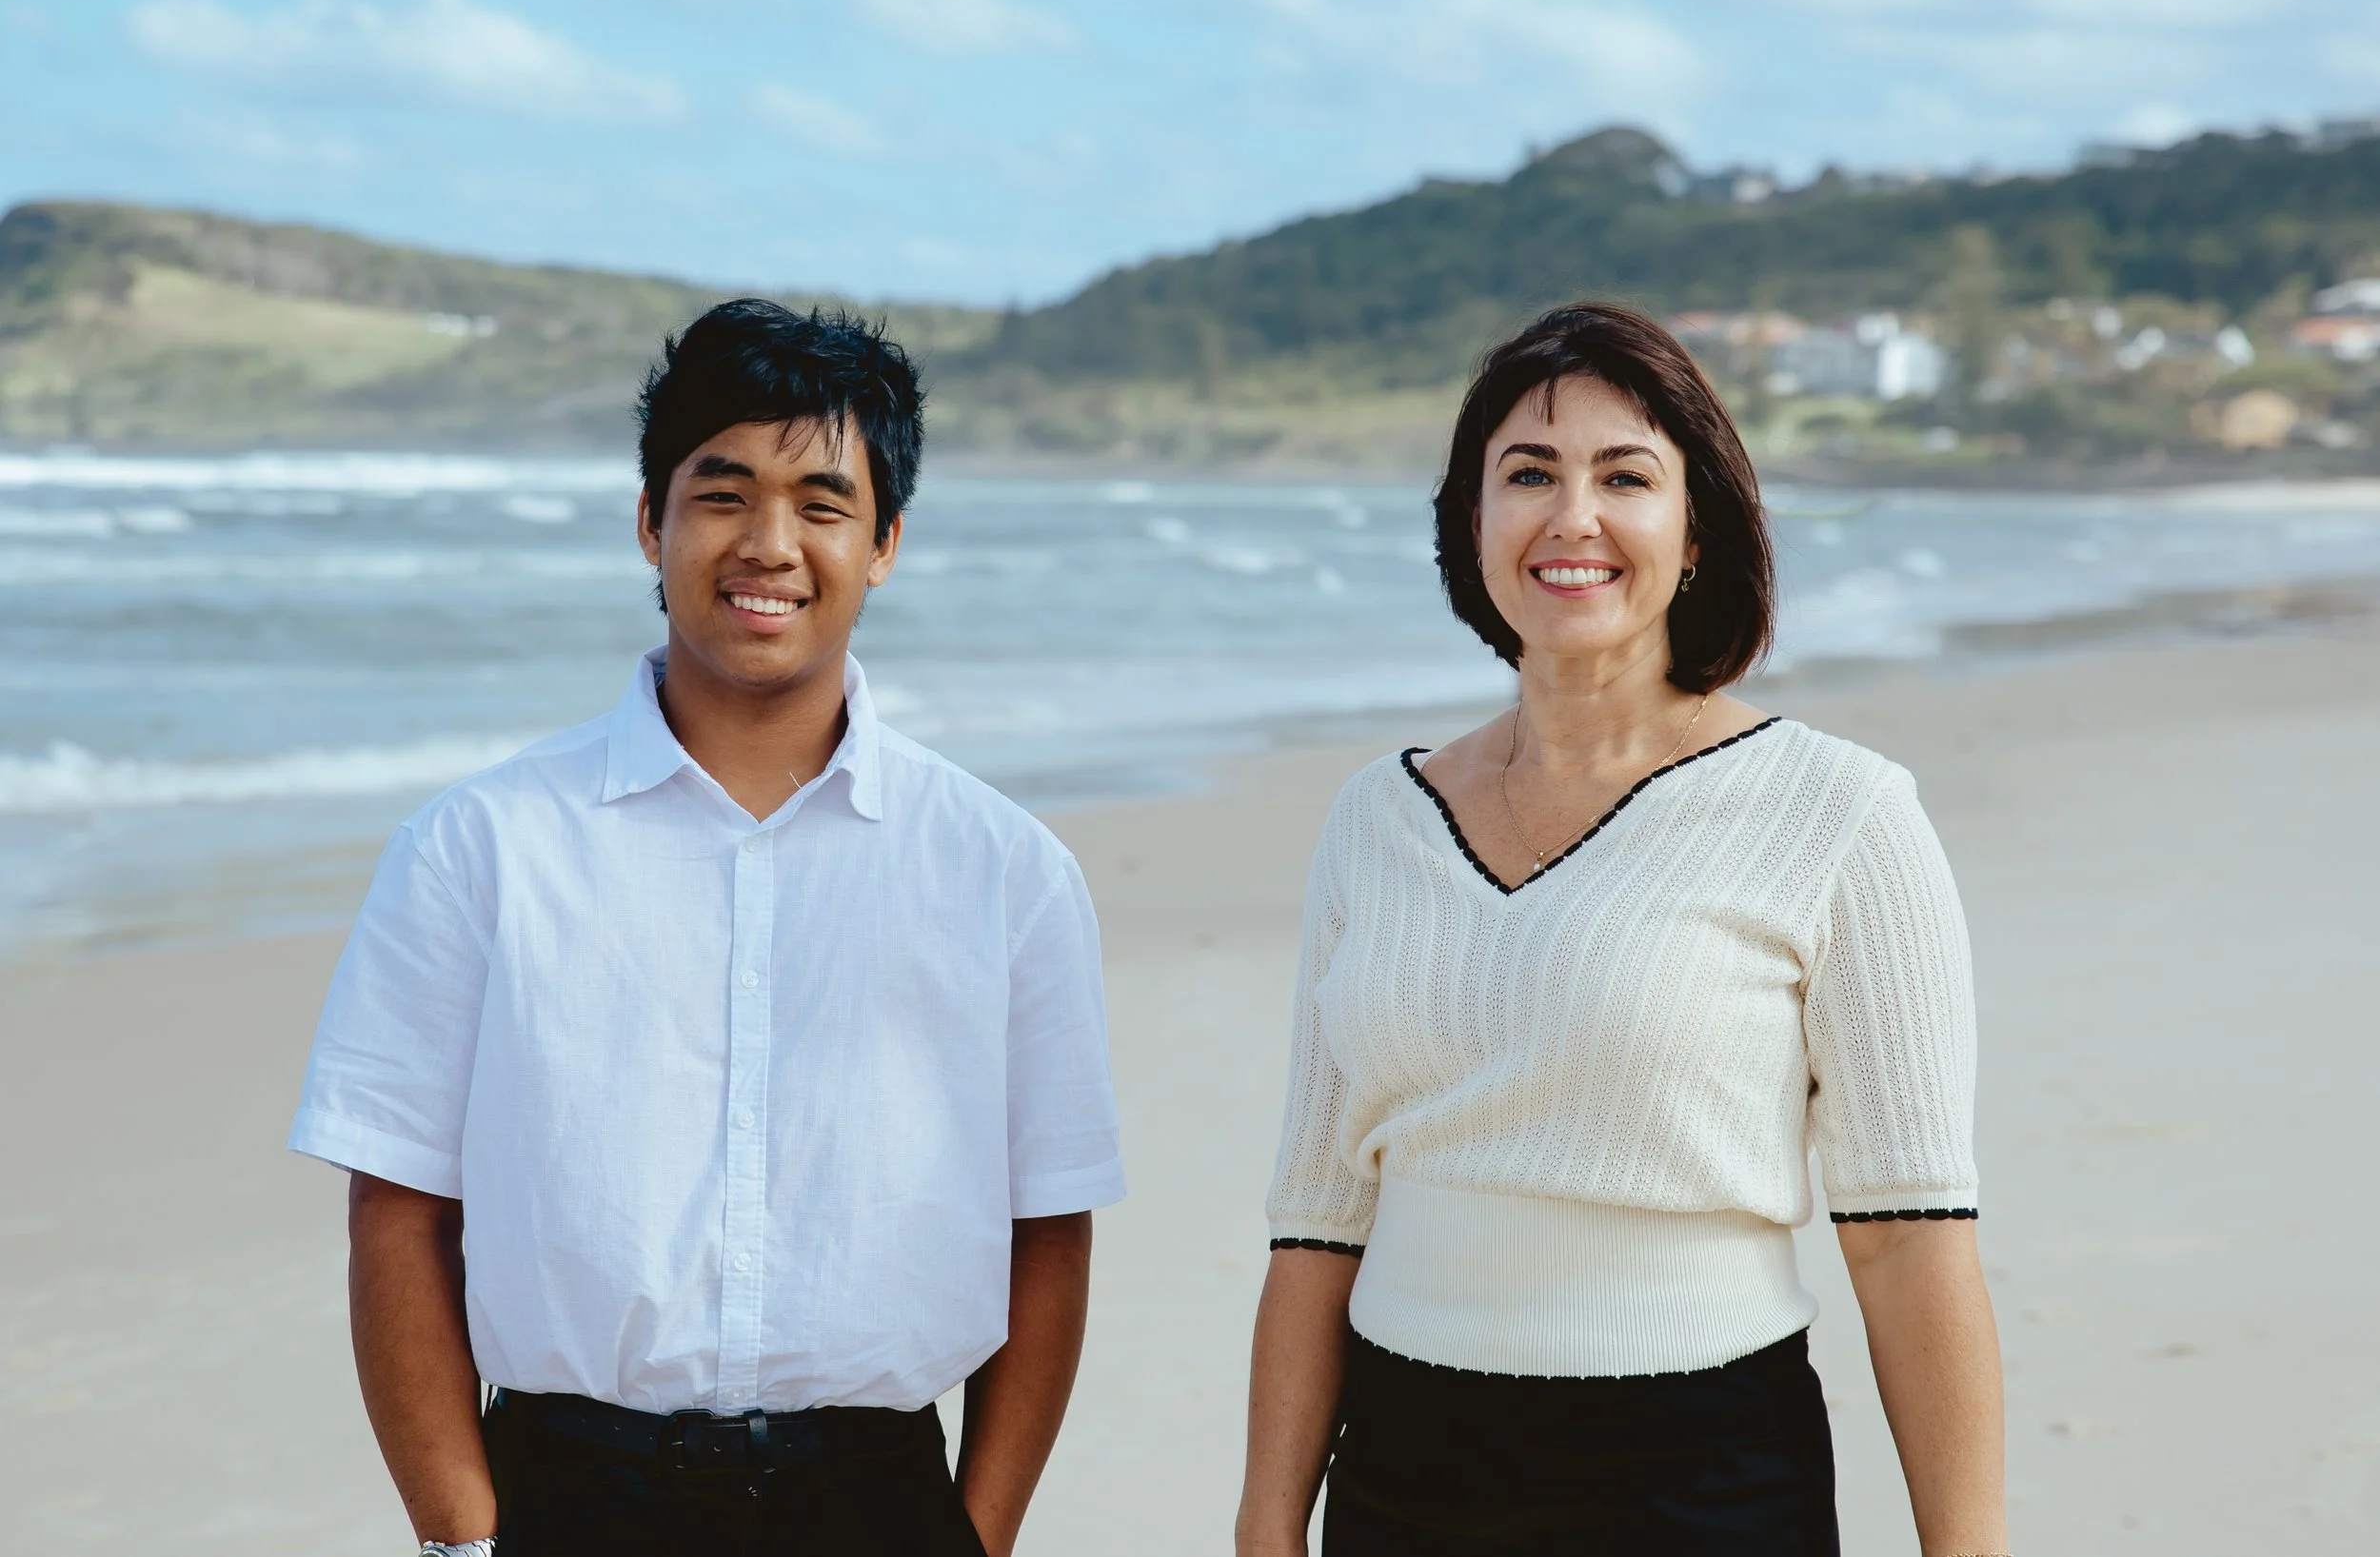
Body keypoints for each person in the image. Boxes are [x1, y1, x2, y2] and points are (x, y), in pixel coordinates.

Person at [289, 301, 1125, 1557]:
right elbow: (397, 1208)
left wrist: (978, 1534)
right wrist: (462, 1540)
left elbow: (1050, 1224)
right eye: (723, 493)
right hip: (566, 1494)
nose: (770, 544)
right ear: (652, 522)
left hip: (881, 1497)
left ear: (886, 541)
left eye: (823, 503)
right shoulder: (480, 847)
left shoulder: (1008, 873)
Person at [1236, 302, 2007, 1556]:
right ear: (1471, 522)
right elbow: (1319, 1219)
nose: (1571, 517)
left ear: (1695, 528)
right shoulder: (1375, 820)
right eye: (1527, 474)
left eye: (1625, 475)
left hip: (1697, 1478)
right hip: (1399, 1475)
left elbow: (1911, 1241)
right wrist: (1267, 1523)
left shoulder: (1838, 812)